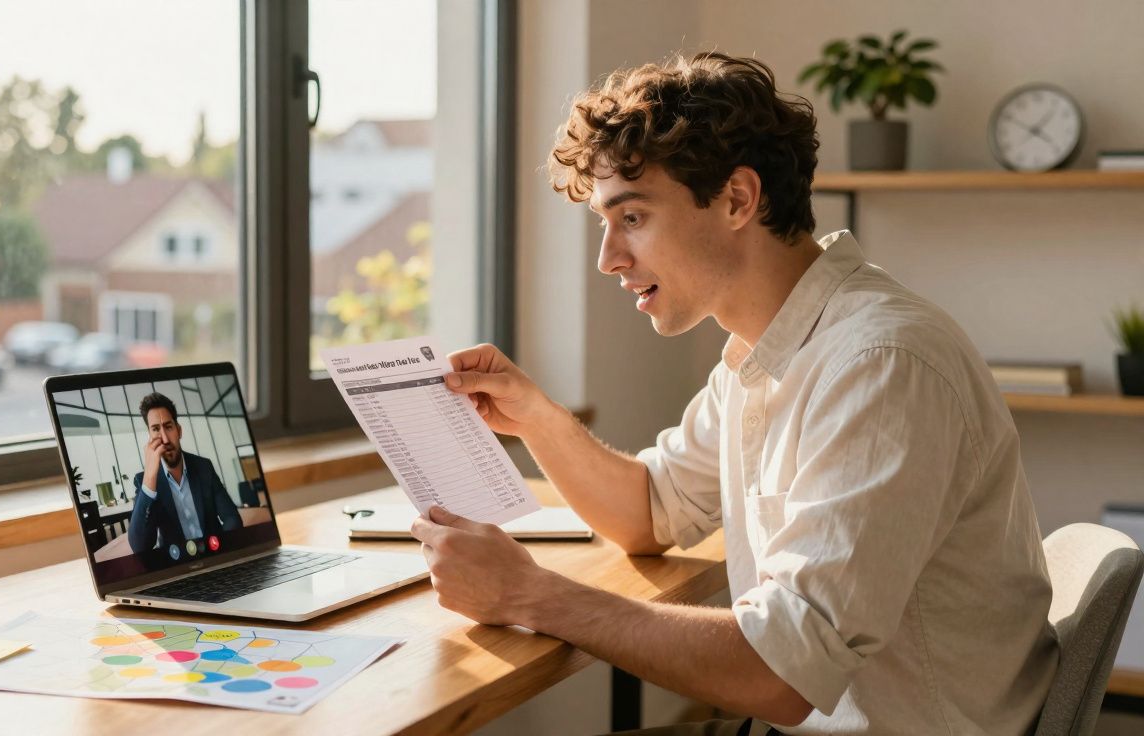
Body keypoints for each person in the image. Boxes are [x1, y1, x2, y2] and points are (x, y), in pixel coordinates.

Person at [410, 52, 1057, 735]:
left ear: (738, 200)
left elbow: (778, 673)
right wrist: (535, 416)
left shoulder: (879, 363)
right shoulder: (766, 349)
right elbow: (650, 510)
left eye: (631, 219)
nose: (608, 259)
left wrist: (531, 594)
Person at [127, 392, 243, 555]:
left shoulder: (204, 467)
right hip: (176, 565)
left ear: (178, 430)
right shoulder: (144, 481)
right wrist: (149, 478)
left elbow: (232, 517)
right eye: (156, 429)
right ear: (150, 437)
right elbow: (139, 546)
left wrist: (222, 552)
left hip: (214, 554)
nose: (165, 439)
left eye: (168, 427)